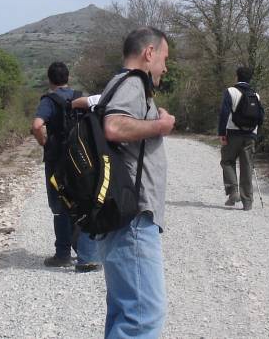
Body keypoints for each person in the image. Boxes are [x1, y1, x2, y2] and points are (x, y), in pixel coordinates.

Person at [98, 27, 176, 339]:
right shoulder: (133, 82)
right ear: (149, 53)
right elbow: (114, 126)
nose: (165, 67)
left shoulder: (116, 82)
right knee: (143, 316)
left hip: (122, 215)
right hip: (133, 217)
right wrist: (161, 125)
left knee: (125, 309)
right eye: (164, 58)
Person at [31, 61, 100, 272]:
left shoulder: (48, 100)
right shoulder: (81, 96)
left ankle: (62, 254)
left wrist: (44, 142)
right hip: (82, 159)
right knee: (84, 203)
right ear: (68, 77)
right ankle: (86, 255)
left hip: (57, 161)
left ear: (50, 79)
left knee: (60, 206)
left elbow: (37, 125)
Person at [218, 65, 264, 211]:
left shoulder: (230, 92)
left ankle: (233, 192)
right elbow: (261, 117)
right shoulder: (256, 95)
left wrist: (222, 133)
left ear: (236, 77)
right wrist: (256, 135)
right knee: (247, 167)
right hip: (250, 135)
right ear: (250, 79)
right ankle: (247, 202)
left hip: (232, 134)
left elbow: (224, 114)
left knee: (227, 161)